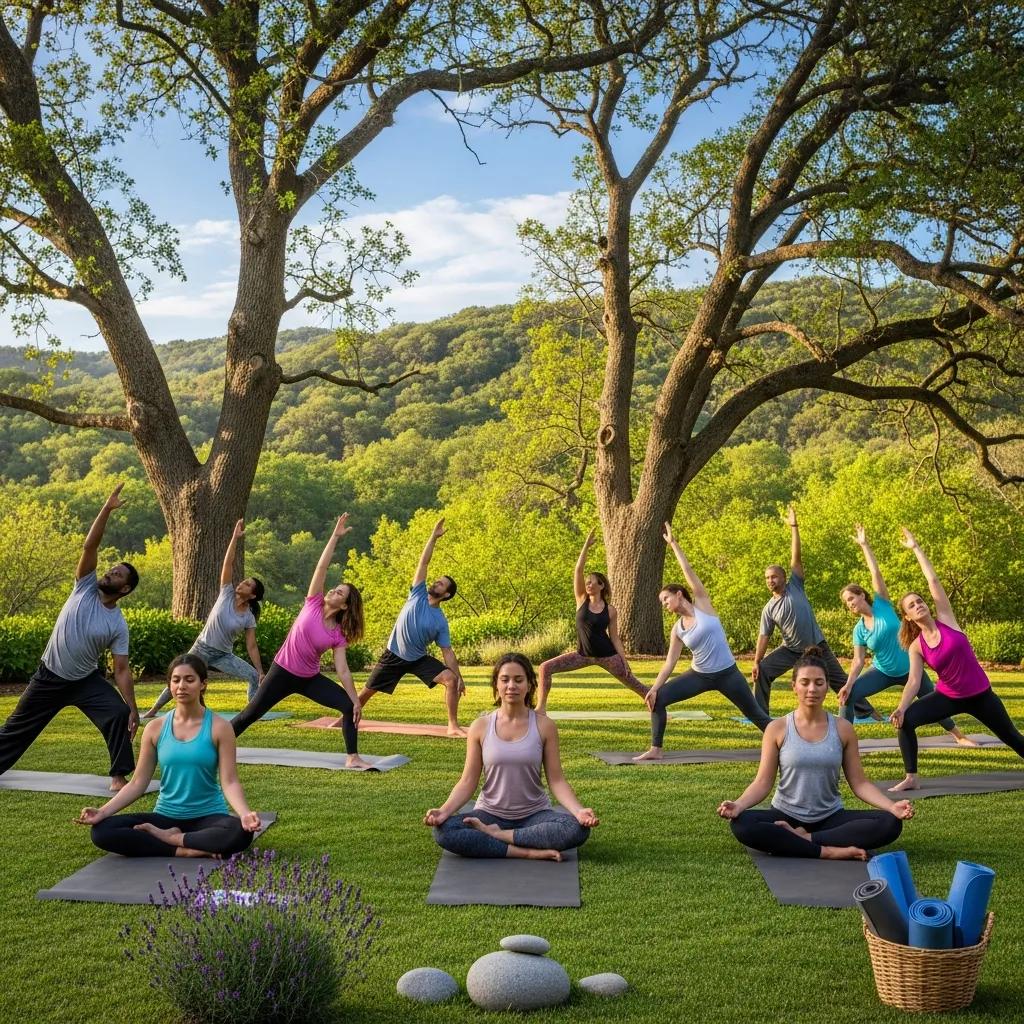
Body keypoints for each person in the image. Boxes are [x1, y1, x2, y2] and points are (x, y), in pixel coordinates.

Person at [0, 484, 139, 791]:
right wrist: (106, 509)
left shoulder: (118, 624)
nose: (109, 574)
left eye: (117, 575)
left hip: (85, 681)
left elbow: (121, 669)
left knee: (116, 713)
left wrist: (133, 707)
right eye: (111, 570)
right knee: (14, 731)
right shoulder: (85, 586)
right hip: (49, 677)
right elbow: (90, 547)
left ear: (125, 589)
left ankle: (118, 776)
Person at [718, 646, 913, 860]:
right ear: (794, 686)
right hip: (785, 814)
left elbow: (859, 784)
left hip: (830, 817)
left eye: (819, 683)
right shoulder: (778, 729)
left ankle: (807, 839)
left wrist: (891, 806)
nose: (812, 689)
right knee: (743, 825)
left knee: (890, 823)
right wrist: (739, 804)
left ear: (827, 686)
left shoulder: (843, 728)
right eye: (805, 682)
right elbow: (762, 783)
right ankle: (828, 850)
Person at [77, 654, 261, 858]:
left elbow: (230, 781)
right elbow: (138, 782)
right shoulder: (155, 728)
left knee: (240, 833)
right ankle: (184, 850)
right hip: (165, 817)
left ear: (203, 684)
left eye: (189, 680)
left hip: (208, 817)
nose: (181, 685)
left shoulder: (220, 727)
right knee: (102, 831)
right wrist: (102, 812)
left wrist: (244, 814)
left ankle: (171, 839)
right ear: (170, 685)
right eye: (176, 680)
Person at [424, 653, 597, 860]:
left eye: (518, 680)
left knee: (575, 829)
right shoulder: (480, 726)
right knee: (444, 831)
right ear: (496, 684)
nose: (511, 686)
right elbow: (468, 781)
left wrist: (578, 811)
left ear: (529, 684)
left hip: (534, 815)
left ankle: (498, 836)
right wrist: (443, 811)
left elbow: (557, 780)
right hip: (489, 814)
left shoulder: (544, 726)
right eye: (505, 680)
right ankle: (524, 851)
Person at [889, 528, 1024, 791]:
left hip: (981, 696)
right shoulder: (917, 646)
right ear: (907, 616)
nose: (918, 604)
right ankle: (912, 777)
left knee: (1012, 737)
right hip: (948, 697)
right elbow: (914, 681)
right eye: (912, 605)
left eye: (919, 601)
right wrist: (902, 707)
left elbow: (934, 583)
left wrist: (916, 548)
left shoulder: (947, 621)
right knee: (906, 721)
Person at [231, 514, 368, 769]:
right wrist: (334, 537)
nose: (332, 590)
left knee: (348, 707)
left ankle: (352, 757)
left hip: (309, 679)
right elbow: (321, 568)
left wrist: (356, 699)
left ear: (345, 605)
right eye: (335, 587)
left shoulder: (338, 634)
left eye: (339, 592)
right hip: (282, 671)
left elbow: (343, 670)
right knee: (250, 715)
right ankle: (212, 748)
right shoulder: (314, 602)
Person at [634, 523, 771, 760]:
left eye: (665, 599)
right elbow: (669, 663)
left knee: (756, 714)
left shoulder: (703, 606)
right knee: (659, 699)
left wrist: (673, 544)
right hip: (699, 675)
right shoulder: (677, 629)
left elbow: (688, 572)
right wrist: (653, 688)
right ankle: (656, 749)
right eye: (661, 602)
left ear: (679, 594)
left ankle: (789, 741)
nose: (664, 604)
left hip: (728, 673)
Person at [837, 525, 976, 748]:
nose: (850, 604)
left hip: (912, 668)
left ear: (862, 595)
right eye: (847, 603)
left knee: (934, 701)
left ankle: (959, 736)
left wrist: (864, 546)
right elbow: (858, 661)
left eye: (851, 598)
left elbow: (876, 574)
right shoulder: (859, 629)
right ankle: (842, 743)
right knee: (849, 695)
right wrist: (848, 683)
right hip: (883, 671)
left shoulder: (882, 603)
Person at [752, 505, 876, 719]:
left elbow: (796, 558)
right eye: (767, 578)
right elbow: (764, 636)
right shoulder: (769, 608)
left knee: (839, 680)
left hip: (816, 645)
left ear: (783, 577)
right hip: (790, 650)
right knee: (762, 671)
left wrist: (794, 526)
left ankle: (869, 713)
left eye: (774, 576)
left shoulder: (795, 586)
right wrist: (755, 661)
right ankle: (759, 715)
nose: (770, 580)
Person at [142, 519, 265, 718]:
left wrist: (260, 670)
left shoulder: (248, 618)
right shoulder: (226, 593)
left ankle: (251, 712)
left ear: (252, 595)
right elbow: (228, 563)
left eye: (247, 584)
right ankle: (154, 710)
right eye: (243, 581)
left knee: (252, 676)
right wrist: (234, 538)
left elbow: (252, 646)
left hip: (224, 655)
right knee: (182, 675)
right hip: (202, 648)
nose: (241, 583)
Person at [358, 518, 465, 736]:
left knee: (450, 680)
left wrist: (459, 676)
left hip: (418, 659)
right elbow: (423, 563)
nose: (435, 583)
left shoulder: (440, 621)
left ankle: (453, 726)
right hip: (394, 654)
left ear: (446, 595)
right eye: (437, 580)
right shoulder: (417, 593)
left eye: (441, 584)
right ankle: (345, 719)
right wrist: (433, 538)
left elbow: (447, 652)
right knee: (367, 692)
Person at [536, 528, 648, 715]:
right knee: (545, 667)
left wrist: (624, 660)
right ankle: (540, 709)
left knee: (636, 684)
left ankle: (656, 706)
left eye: (592, 582)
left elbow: (615, 638)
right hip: (582, 655)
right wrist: (586, 547)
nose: (588, 584)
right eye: (587, 582)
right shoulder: (581, 600)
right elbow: (578, 570)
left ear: (601, 586)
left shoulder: (611, 610)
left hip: (608, 656)